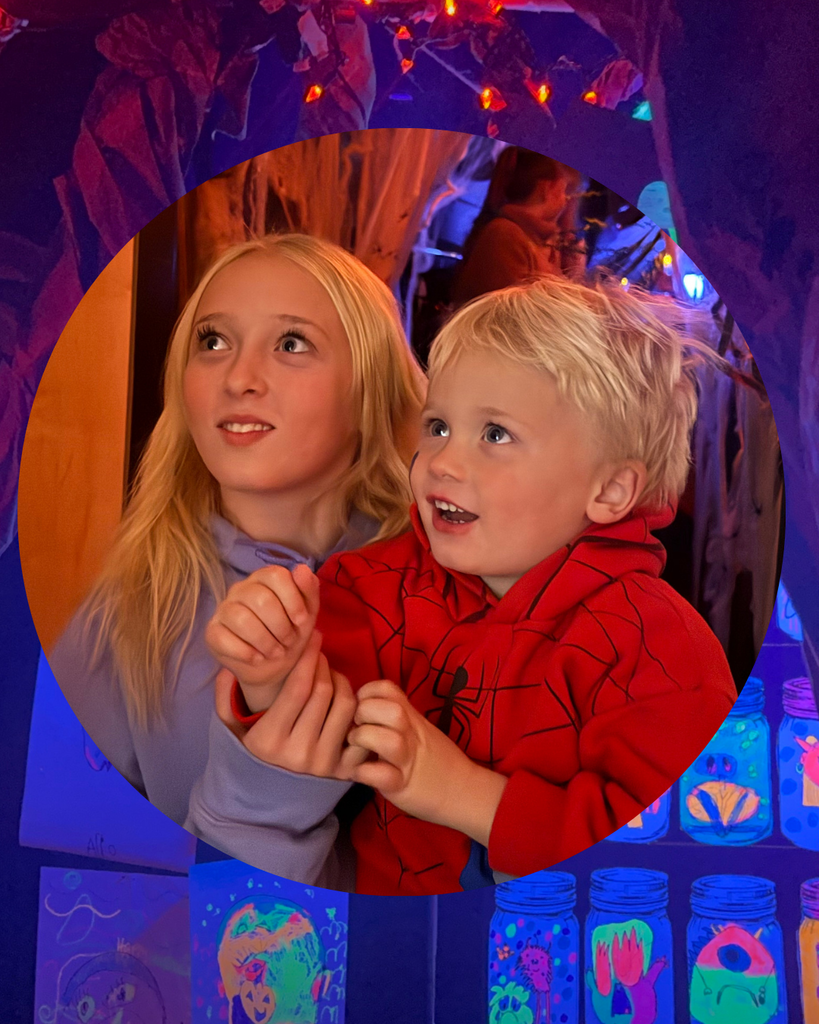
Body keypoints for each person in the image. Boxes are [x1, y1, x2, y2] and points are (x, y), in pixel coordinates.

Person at [209, 274, 738, 895]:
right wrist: (270, 671)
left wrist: (463, 794)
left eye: (495, 435)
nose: (443, 462)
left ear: (610, 490)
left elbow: (663, 856)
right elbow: (313, 733)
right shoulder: (374, 582)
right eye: (437, 427)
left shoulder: (662, 653)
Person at [48, 233, 426, 878]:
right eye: (213, 342)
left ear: (371, 391)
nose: (238, 378)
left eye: (291, 344)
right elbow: (75, 908)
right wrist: (254, 811)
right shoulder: (127, 617)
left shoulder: (457, 583)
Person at [451, 147, 586, 306]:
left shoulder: (542, 240)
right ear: (547, 188)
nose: (567, 201)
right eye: (565, 190)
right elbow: (520, 316)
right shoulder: (504, 235)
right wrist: (574, 281)